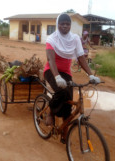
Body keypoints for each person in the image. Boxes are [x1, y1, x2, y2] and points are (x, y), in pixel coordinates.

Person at [43, 13, 100, 144]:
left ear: (70, 25)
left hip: (66, 73)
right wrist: (57, 77)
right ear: (57, 24)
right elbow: (50, 60)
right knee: (61, 92)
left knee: (68, 102)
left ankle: (64, 132)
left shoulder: (74, 39)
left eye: (67, 24)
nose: (65, 26)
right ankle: (50, 112)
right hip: (51, 71)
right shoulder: (51, 39)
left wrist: (91, 75)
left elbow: (81, 57)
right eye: (62, 23)